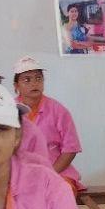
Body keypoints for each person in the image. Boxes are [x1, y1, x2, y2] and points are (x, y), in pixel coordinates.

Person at [13, 56, 85, 191]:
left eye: (38, 78)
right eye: (27, 80)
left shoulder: (58, 110)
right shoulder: (7, 111)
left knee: (61, 192)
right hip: (19, 175)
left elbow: (70, 149)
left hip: (57, 172)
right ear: (16, 86)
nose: (34, 83)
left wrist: (49, 174)